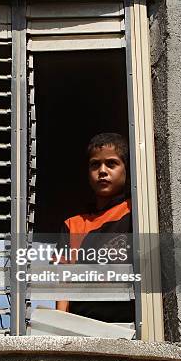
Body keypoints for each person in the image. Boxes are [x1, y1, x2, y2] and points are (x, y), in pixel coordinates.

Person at [55, 132, 134, 323]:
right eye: (95, 164)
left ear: (126, 169)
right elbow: (63, 282)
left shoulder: (138, 212)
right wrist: (61, 327)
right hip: (82, 328)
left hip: (129, 327)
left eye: (112, 163)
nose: (103, 171)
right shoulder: (73, 225)